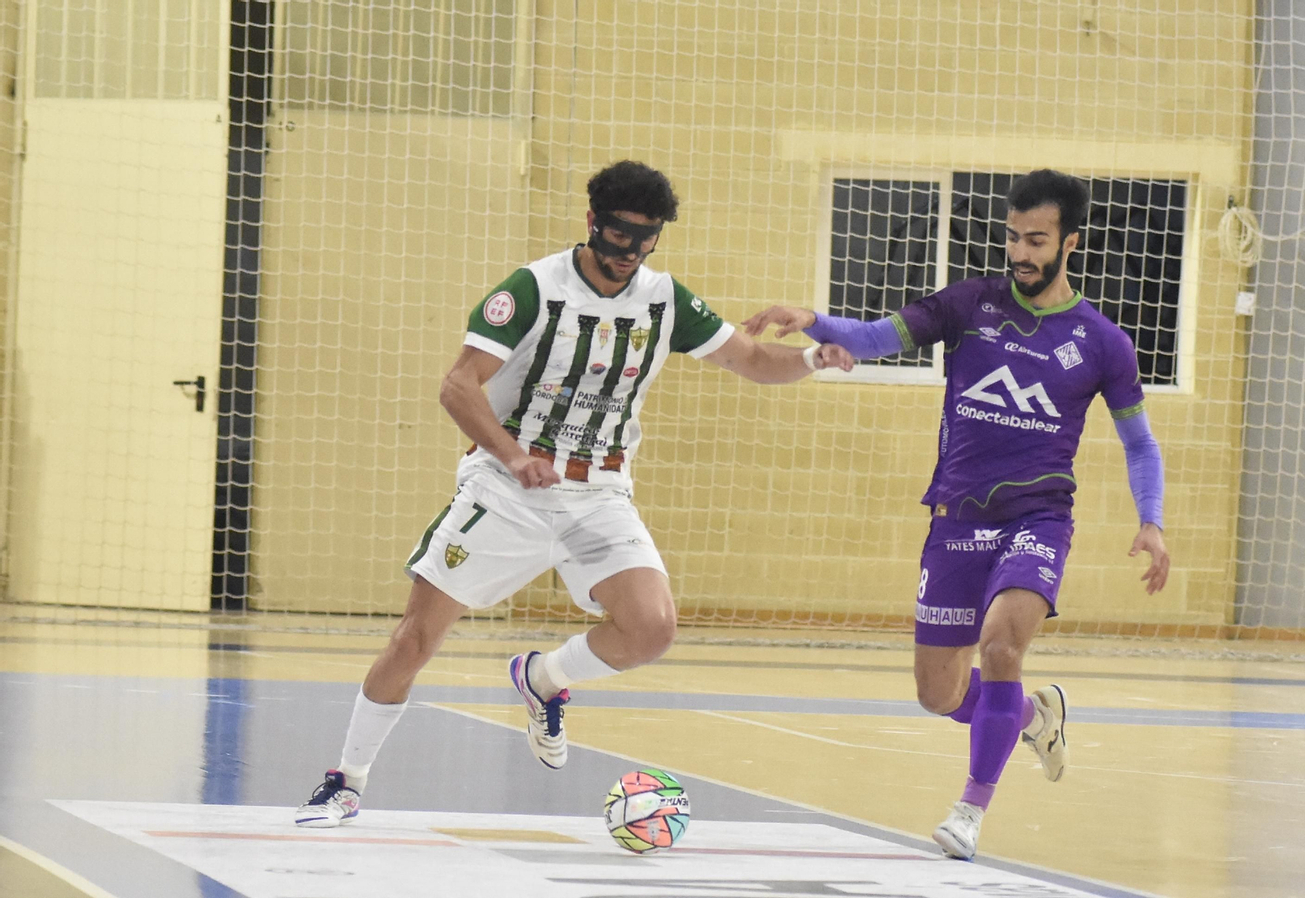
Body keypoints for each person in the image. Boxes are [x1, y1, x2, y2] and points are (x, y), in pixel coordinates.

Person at [295, 160, 855, 827]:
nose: (629, 253)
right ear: (593, 223)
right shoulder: (533, 289)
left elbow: (754, 361)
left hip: (600, 494)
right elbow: (457, 384)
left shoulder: (665, 298)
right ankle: (346, 781)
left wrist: (818, 358)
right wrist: (512, 456)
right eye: (619, 236)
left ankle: (543, 680)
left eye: (645, 240)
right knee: (417, 638)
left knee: (652, 629)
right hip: (506, 491)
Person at [744, 169, 1170, 860]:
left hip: (1037, 516)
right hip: (955, 519)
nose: (1022, 253)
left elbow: (1139, 440)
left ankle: (970, 810)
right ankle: (1032, 717)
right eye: (1013, 238)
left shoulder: (1102, 343)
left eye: (1037, 240)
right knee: (938, 694)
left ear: (1071, 244)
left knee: (1003, 647)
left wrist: (1150, 519)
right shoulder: (972, 303)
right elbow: (879, 335)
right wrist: (814, 321)